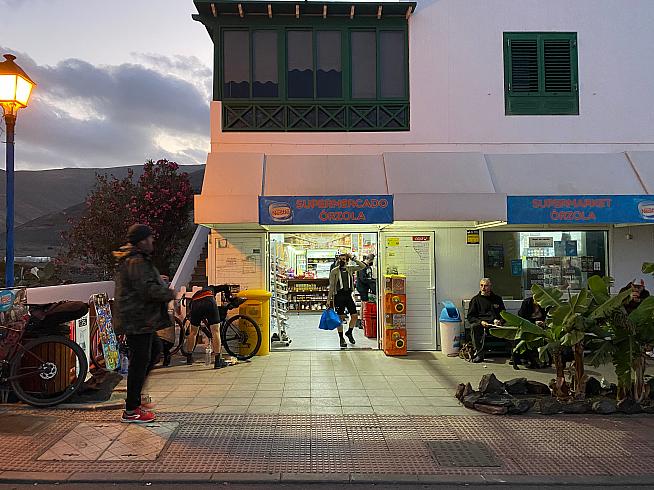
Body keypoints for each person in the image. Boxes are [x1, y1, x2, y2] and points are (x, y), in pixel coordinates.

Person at [113, 224, 174, 423]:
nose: (152, 241)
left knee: (155, 351)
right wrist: (168, 293)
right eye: (149, 238)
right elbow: (147, 290)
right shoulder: (136, 261)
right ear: (141, 241)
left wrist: (158, 279)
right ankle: (131, 410)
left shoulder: (136, 260)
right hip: (137, 319)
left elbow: (144, 282)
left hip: (141, 319)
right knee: (139, 362)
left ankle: (136, 398)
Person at [328, 252, 367, 348]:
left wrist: (353, 258)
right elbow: (332, 286)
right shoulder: (334, 271)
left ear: (347, 260)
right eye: (340, 259)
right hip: (339, 296)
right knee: (340, 318)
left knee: (354, 316)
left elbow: (363, 266)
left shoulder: (350, 268)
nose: (342, 261)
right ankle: (341, 338)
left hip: (348, 295)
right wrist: (329, 299)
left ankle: (349, 332)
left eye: (344, 259)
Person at [185, 285, 229, 369]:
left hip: (195, 303)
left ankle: (189, 358)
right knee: (215, 331)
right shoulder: (212, 288)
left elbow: (191, 307)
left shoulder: (196, 294)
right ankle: (217, 362)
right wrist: (228, 298)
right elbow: (225, 287)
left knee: (193, 332)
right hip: (209, 301)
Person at [466, 278, 506, 363]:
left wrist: (500, 321)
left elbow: (504, 314)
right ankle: (479, 354)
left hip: (495, 324)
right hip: (482, 324)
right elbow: (470, 316)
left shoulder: (497, 299)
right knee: (474, 327)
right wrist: (480, 322)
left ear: (490, 286)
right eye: (481, 285)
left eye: (486, 286)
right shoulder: (475, 300)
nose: (483, 288)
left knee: (514, 328)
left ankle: (515, 355)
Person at [516, 296, 549, 369]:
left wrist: (543, 323)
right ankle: (528, 359)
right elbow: (522, 317)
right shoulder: (526, 303)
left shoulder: (544, 304)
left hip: (540, 326)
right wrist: (534, 322)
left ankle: (544, 359)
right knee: (526, 339)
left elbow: (545, 316)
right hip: (528, 325)